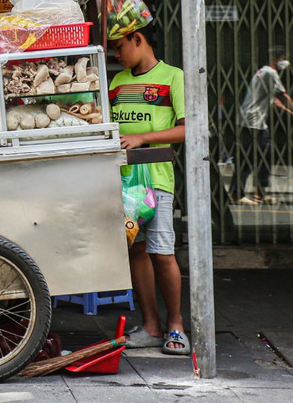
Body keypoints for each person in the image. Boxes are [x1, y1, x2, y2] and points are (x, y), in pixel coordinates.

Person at [108, 24, 189, 356]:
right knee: (137, 251)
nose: (116, 54)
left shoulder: (173, 77)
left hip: (156, 180)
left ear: (138, 39)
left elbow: (187, 129)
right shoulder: (117, 82)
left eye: (119, 46)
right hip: (123, 181)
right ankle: (151, 325)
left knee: (161, 251)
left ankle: (176, 324)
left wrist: (142, 138)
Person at [236, 48, 293, 205]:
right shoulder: (270, 73)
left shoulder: (262, 73)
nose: (284, 62)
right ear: (274, 58)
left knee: (265, 156)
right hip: (252, 122)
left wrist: (292, 113)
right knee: (249, 158)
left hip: (256, 122)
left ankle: (260, 193)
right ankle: (237, 194)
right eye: (282, 58)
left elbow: (274, 100)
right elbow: (282, 96)